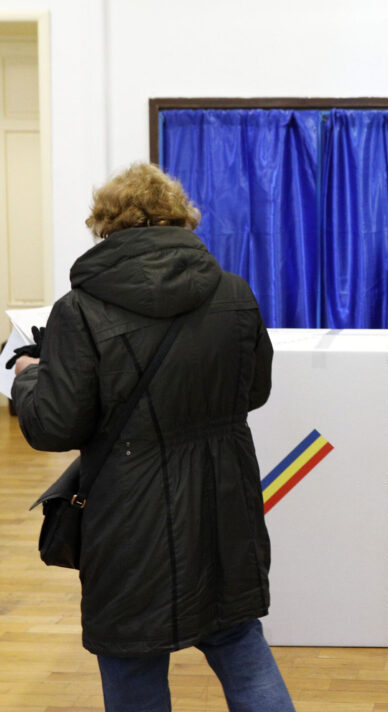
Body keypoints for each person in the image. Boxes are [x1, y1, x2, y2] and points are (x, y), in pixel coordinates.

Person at [10, 163, 295, 712]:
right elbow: (253, 392)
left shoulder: (81, 309)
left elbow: (55, 425)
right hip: (223, 503)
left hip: (130, 515)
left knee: (131, 657)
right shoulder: (234, 293)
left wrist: (30, 377)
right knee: (238, 640)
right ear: (179, 218)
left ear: (106, 225)